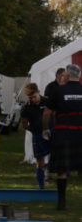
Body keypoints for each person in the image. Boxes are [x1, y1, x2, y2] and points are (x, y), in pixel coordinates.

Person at [42, 63, 82, 210]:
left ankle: (62, 202)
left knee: (62, 170)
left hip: (64, 134)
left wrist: (45, 129)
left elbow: (46, 113)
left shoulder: (58, 91)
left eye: (64, 73)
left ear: (67, 75)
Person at [19, 83, 50, 189]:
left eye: (34, 96)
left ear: (38, 92)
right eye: (30, 98)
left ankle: (53, 174)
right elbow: (24, 124)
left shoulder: (47, 101)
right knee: (40, 160)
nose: (33, 99)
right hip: (37, 134)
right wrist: (32, 129)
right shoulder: (26, 107)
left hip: (50, 132)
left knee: (56, 155)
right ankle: (41, 185)